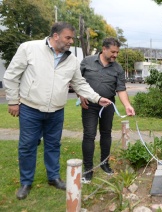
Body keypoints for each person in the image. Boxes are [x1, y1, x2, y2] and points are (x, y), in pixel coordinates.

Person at [3, 22, 112, 200]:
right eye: (68, 37)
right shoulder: (29, 48)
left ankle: (53, 178)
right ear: (55, 36)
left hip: (56, 111)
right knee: (27, 146)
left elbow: (79, 84)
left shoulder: (72, 60)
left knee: (53, 145)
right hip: (30, 108)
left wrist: (97, 98)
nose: (71, 41)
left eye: (72, 38)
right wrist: (13, 101)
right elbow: (12, 75)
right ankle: (26, 182)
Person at [79, 37, 135, 183]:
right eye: (113, 52)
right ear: (104, 49)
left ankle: (105, 163)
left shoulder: (118, 68)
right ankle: (88, 170)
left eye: (117, 52)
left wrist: (127, 105)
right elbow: (77, 81)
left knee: (106, 134)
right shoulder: (87, 62)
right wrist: (80, 95)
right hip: (89, 105)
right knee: (89, 135)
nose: (115, 55)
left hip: (108, 105)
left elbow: (121, 89)